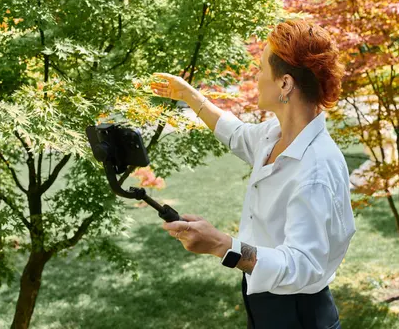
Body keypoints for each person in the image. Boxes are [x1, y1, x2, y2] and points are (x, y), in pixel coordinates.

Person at [150, 19, 356, 329]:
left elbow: (303, 265)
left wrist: (221, 244)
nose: (256, 77)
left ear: (285, 84)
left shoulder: (315, 168)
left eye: (261, 69)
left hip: (298, 314)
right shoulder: (275, 135)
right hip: (265, 304)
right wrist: (189, 95)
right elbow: (235, 133)